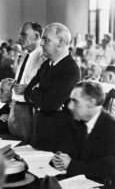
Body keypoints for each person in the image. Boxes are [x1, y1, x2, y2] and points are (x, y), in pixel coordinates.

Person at [52, 81, 115, 189]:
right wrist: (60, 159)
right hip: (78, 179)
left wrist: (71, 164)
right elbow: (67, 148)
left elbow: (108, 169)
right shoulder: (78, 120)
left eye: (75, 102)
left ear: (91, 102)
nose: (70, 106)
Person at [24, 22, 81, 151]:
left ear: (60, 43)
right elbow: (27, 92)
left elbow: (50, 104)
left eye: (46, 40)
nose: (41, 43)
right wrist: (37, 92)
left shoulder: (70, 70)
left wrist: (35, 90)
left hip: (58, 138)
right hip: (40, 131)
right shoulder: (47, 64)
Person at [9, 22, 46, 143]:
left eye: (24, 35)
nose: (20, 38)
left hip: (28, 109)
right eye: (20, 35)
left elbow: (44, 84)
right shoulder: (25, 55)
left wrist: (26, 88)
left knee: (27, 147)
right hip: (15, 106)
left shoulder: (43, 57)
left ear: (36, 36)